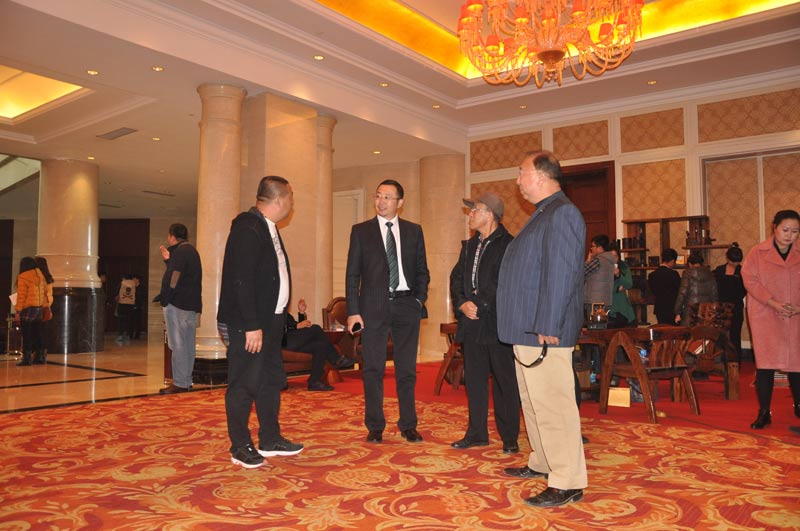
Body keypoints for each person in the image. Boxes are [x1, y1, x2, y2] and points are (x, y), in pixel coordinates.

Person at [496, 150, 587, 508]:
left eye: (521, 172)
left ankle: (567, 481)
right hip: (527, 327)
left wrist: (548, 323)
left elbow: (561, 273)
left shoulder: (563, 213)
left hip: (544, 329)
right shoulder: (544, 213)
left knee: (554, 406)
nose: (518, 180)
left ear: (542, 176)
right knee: (534, 403)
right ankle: (543, 462)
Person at [217, 175, 304, 469]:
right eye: (290, 198)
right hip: (249, 323)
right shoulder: (248, 228)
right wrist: (251, 324)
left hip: (270, 320)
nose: (292, 204)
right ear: (278, 199)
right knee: (244, 383)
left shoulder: (268, 227)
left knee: (269, 380)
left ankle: (270, 438)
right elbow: (241, 280)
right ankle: (239, 445)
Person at [345, 179, 430, 444]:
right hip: (373, 307)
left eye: (387, 197)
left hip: (407, 306)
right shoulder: (361, 231)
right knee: (373, 368)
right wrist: (353, 310)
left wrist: (419, 301)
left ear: (400, 203)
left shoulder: (414, 231)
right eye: (378, 196)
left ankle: (408, 424)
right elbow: (352, 275)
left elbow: (422, 271)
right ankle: (375, 426)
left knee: (407, 370)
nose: (380, 201)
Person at [449, 193, 520, 454]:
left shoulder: (508, 244)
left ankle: (509, 437)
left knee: (504, 381)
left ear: (490, 214)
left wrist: (480, 304)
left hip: (497, 323)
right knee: (475, 381)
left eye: (475, 210)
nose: (471, 214)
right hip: (471, 323)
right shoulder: (469, 246)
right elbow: (456, 278)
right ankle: (477, 433)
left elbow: (504, 281)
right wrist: (462, 304)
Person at [741, 209, 800, 430]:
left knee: (796, 364)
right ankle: (764, 412)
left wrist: (798, 308)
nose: (789, 235)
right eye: (785, 230)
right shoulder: (757, 252)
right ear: (774, 227)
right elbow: (750, 280)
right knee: (765, 365)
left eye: (795, 231)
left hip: (795, 315)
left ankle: (799, 406)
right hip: (765, 314)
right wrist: (773, 302)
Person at [158, 223, 202, 394]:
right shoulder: (192, 252)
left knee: (178, 345)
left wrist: (165, 299)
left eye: (169, 236)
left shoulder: (180, 253)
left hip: (178, 305)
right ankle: (186, 380)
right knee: (188, 345)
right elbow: (184, 275)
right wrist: (169, 260)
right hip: (191, 306)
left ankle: (180, 383)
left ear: (172, 236)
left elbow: (174, 279)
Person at [285, 298, 355, 391]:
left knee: (320, 345)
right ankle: (336, 358)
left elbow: (295, 327)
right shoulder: (272, 309)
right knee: (316, 328)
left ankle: (314, 381)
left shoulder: (283, 311)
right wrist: (296, 326)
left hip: (292, 340)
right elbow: (279, 327)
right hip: (283, 341)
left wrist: (301, 313)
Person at [712, 244, 746, 356]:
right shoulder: (719, 270)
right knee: (721, 336)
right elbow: (715, 288)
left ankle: (736, 360)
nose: (735, 264)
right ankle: (722, 361)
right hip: (721, 307)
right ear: (727, 258)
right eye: (733, 261)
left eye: (737, 261)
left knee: (735, 335)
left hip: (736, 307)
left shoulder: (743, 270)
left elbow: (746, 289)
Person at [14, 257, 47, 367]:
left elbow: (21, 296)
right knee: (38, 333)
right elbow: (44, 293)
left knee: (26, 334)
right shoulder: (40, 275)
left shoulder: (23, 276)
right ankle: (40, 357)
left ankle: (27, 359)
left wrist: (18, 311)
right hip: (38, 307)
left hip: (28, 308)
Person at [674, 253, 718, 325]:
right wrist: (714, 309)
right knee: (703, 330)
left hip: (690, 309)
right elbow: (714, 293)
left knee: (690, 330)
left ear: (689, 263)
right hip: (705, 309)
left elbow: (682, 293)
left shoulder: (687, 273)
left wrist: (677, 312)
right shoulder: (709, 273)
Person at [584, 234, 616, 318]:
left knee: (595, 325)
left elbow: (582, 272)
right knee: (601, 325)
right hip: (605, 300)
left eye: (593, 246)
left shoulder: (598, 260)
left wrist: (588, 260)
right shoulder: (609, 260)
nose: (591, 249)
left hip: (595, 301)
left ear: (600, 247)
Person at [648, 248, 681, 324]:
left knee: (662, 329)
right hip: (672, 308)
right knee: (673, 329)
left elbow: (653, 291)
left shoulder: (652, 275)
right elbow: (679, 292)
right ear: (672, 260)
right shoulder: (674, 274)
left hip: (659, 308)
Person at [608, 247, 635, 328]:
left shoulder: (624, 267)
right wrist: (616, 288)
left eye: (615, 256)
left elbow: (629, 284)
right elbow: (603, 288)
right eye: (611, 256)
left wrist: (619, 275)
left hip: (622, 306)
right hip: (608, 306)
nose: (613, 259)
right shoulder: (603, 269)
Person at [34, 256, 54, 364]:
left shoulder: (38, 278)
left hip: (37, 308)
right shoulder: (48, 278)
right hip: (44, 308)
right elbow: (50, 296)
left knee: (36, 332)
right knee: (42, 332)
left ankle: (38, 354)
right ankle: (41, 354)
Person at [115, 274, 136, 345]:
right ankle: (128, 335)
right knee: (129, 321)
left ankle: (120, 336)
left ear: (124, 278)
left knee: (121, 320)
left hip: (121, 305)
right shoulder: (134, 284)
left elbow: (116, 293)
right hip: (130, 305)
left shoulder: (121, 283)